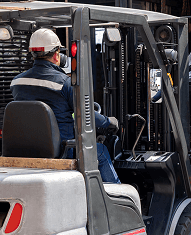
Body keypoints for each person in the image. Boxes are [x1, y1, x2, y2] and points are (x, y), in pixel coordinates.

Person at [10, 28, 121, 184]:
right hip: (61, 150)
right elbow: (86, 113)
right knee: (100, 151)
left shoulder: (16, 83)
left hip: (28, 149)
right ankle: (118, 195)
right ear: (57, 54)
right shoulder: (65, 83)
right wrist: (109, 122)